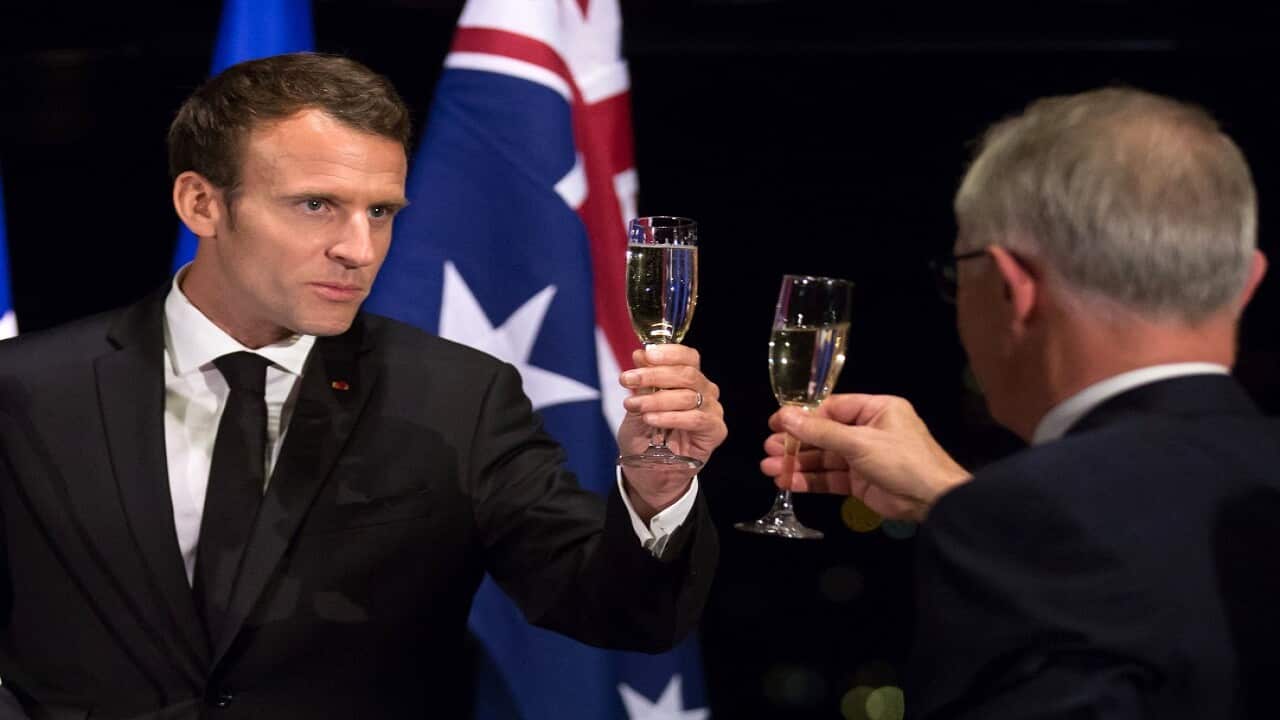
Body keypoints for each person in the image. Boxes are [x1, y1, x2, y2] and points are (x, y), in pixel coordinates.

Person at [0, 53, 726, 718]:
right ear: (201, 205)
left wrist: (655, 488)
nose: (358, 248)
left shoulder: (457, 398)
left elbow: (622, 611)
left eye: (380, 212)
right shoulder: (27, 391)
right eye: (316, 204)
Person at [762, 87, 1279, 718]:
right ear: (1248, 281)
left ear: (1013, 288)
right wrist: (959, 503)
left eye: (959, 274)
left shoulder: (1024, 515)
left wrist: (993, 519)